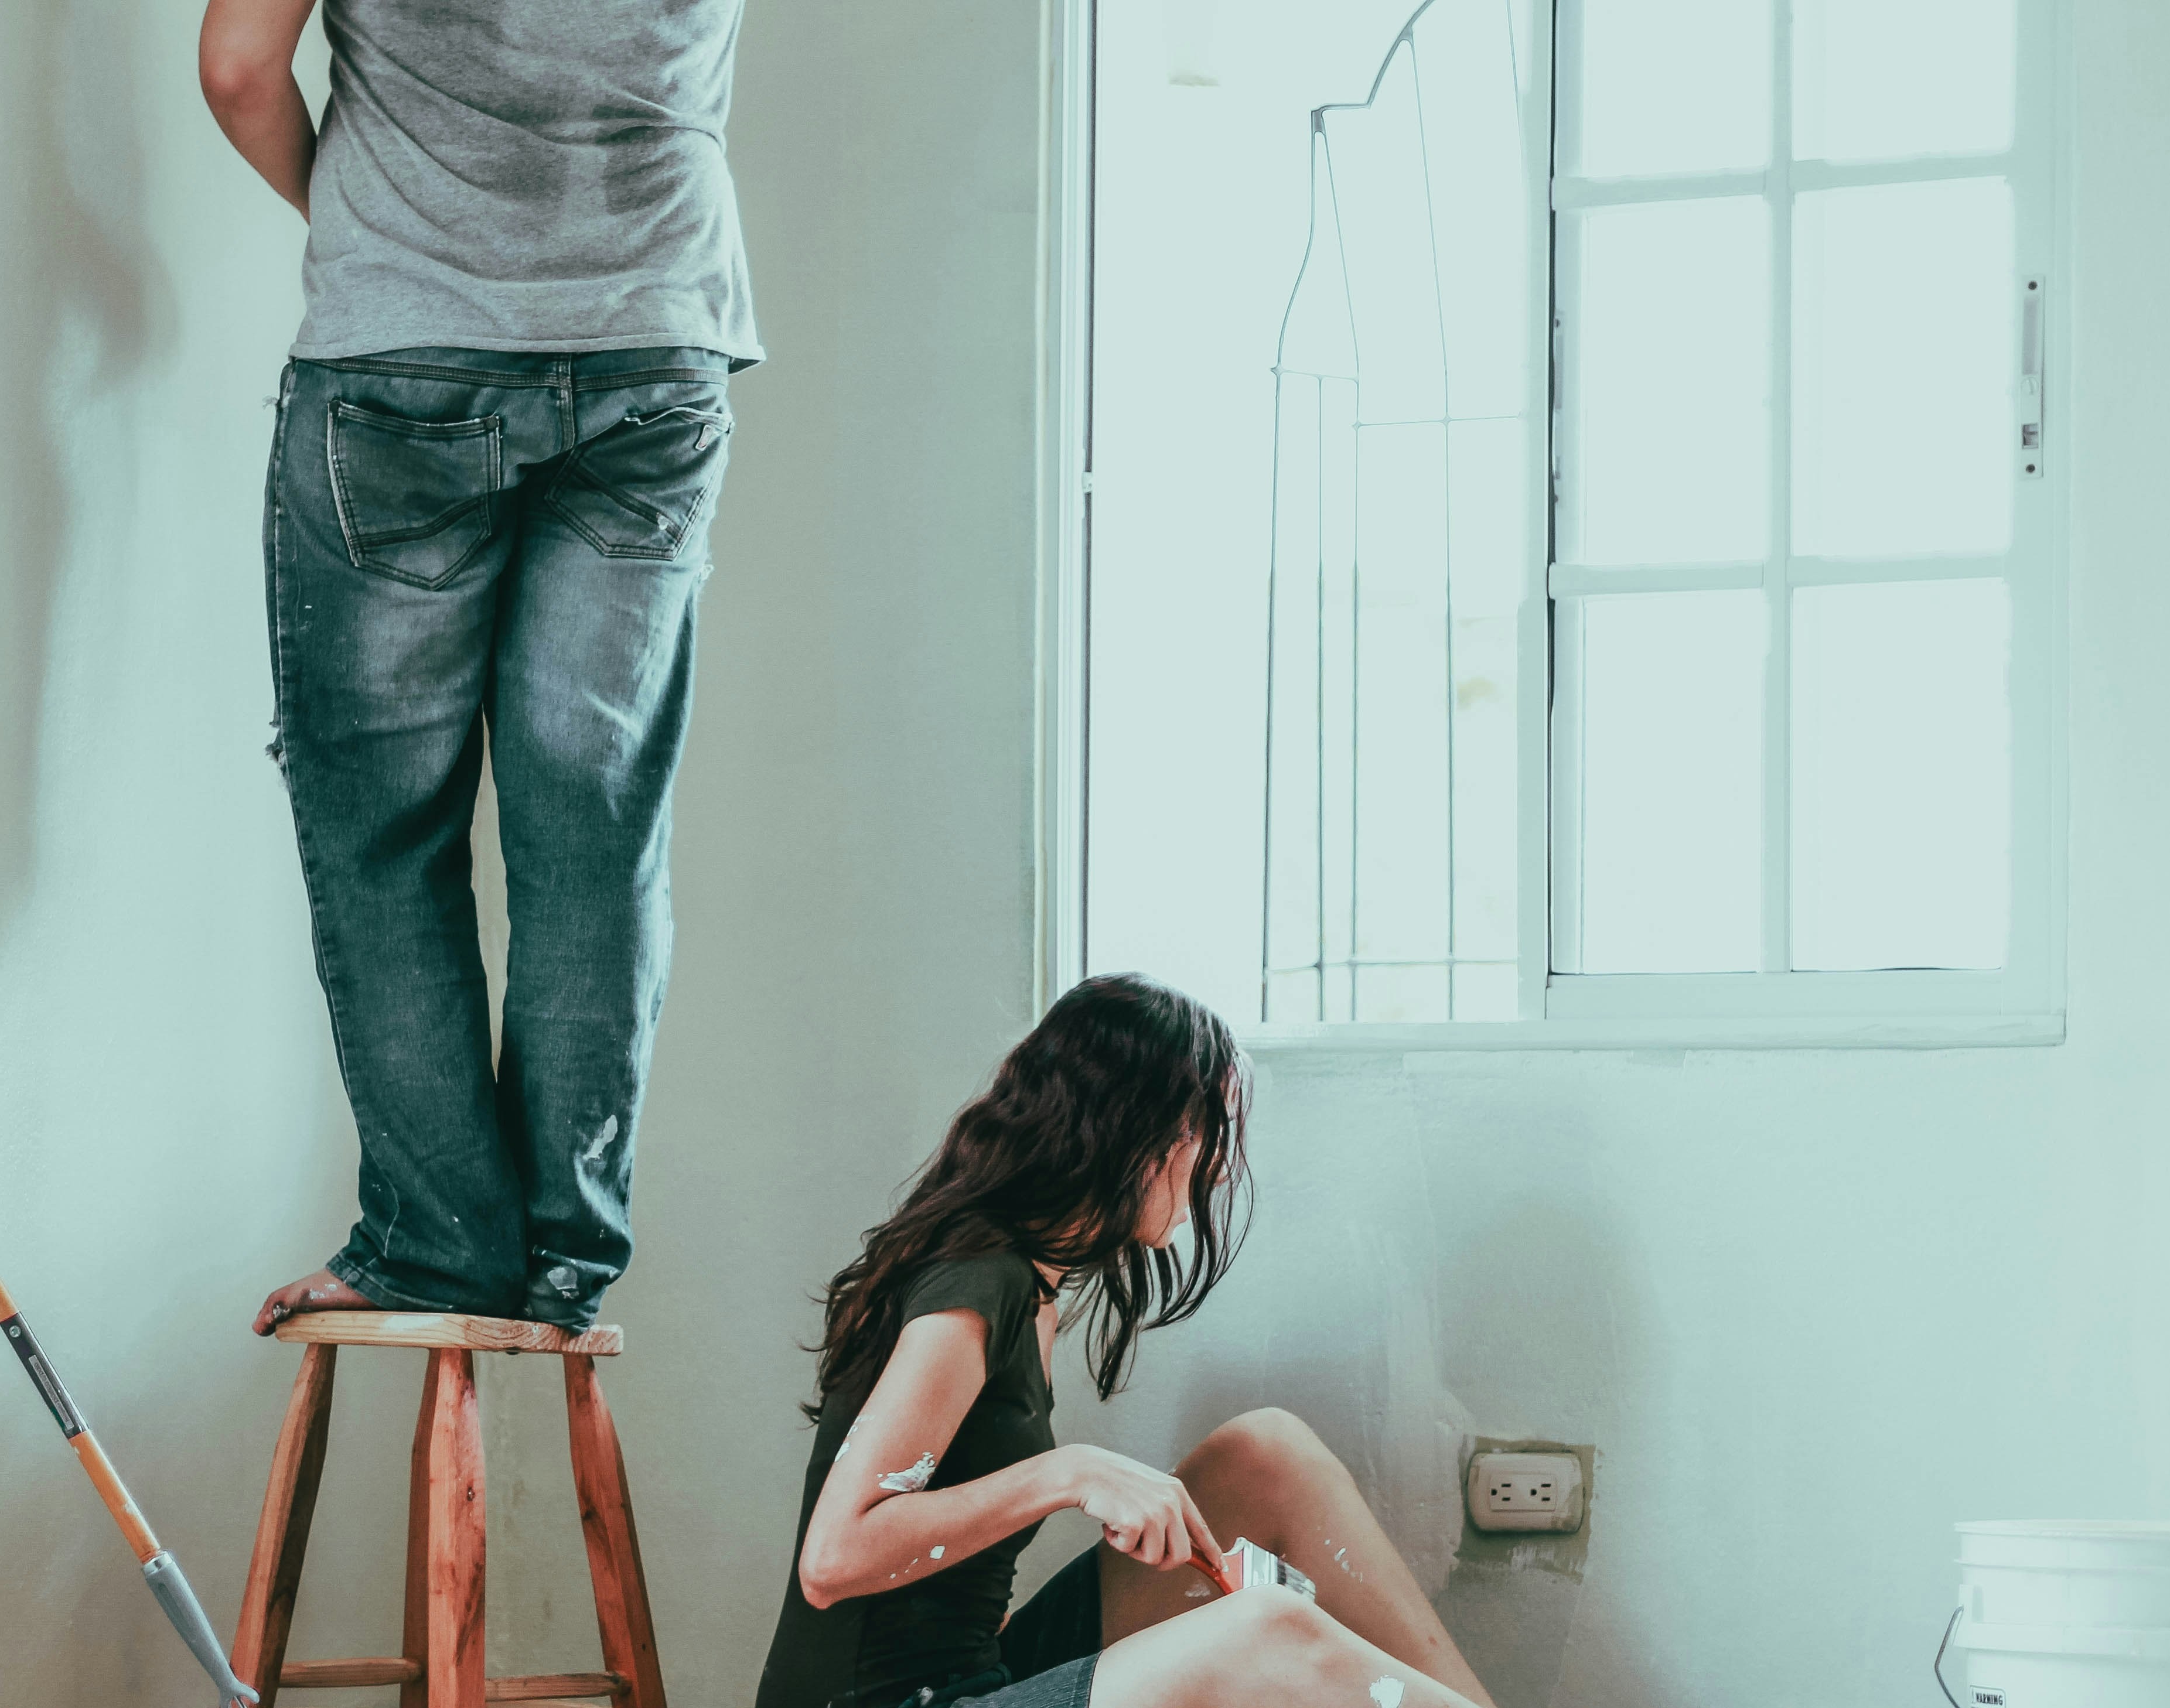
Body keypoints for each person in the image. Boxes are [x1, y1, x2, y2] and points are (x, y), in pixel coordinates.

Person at [196, 0, 760, 1332]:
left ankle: (439, 1245)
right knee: (593, 832)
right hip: (655, 344)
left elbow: (236, 68)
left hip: (401, 355)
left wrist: (360, 226)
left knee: (385, 837)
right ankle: (565, 1256)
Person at [756, 975, 1500, 1708]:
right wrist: (1069, 1473)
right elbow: (832, 1561)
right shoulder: (976, 1288)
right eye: (1202, 1136)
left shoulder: (1026, 1281)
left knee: (1265, 1455)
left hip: (973, 1675)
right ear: (1141, 1135)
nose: (1210, 1169)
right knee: (1271, 1629)